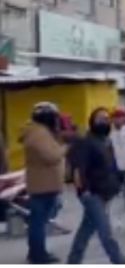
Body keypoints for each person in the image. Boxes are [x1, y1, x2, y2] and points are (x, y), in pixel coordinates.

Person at [67, 108, 125, 264]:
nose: (104, 121)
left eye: (107, 119)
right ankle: (118, 259)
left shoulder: (104, 141)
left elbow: (109, 167)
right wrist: (83, 190)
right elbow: (78, 169)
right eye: (100, 118)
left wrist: (117, 181)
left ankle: (73, 261)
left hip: (103, 193)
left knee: (85, 230)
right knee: (104, 229)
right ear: (92, 121)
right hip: (91, 193)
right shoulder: (85, 142)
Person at [21, 102, 66, 264]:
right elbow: (51, 156)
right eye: (54, 117)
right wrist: (65, 148)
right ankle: (38, 255)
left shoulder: (41, 132)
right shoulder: (38, 134)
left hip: (45, 184)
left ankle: (36, 252)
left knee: (39, 221)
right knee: (39, 223)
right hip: (42, 185)